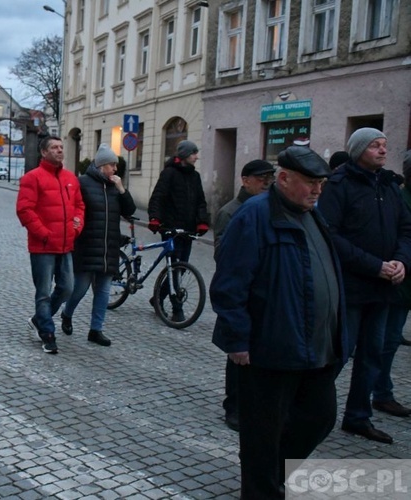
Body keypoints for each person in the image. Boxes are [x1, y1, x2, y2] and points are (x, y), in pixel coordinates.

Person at [210, 145, 348, 500]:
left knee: (320, 417)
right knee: (262, 433)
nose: (317, 190)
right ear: (284, 178)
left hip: (316, 348)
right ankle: (261, 490)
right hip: (270, 347)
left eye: (321, 183)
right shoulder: (254, 216)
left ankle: (273, 473)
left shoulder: (313, 214)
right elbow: (229, 284)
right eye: (310, 183)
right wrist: (237, 340)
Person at [319, 128, 411, 445]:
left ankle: (358, 417)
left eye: (385, 145)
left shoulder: (389, 185)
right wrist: (375, 266)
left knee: (372, 355)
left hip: (384, 288)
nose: (384, 150)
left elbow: (406, 230)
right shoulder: (339, 185)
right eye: (375, 146)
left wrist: (401, 261)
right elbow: (330, 236)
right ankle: (307, 408)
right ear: (359, 150)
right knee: (339, 353)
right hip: (351, 287)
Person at [212, 159, 275, 432]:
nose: (266, 182)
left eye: (270, 178)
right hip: (241, 293)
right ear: (245, 180)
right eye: (261, 178)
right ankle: (234, 406)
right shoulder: (231, 212)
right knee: (237, 355)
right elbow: (223, 254)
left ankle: (254, 404)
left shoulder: (270, 209)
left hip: (263, 295)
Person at [60, 144, 136, 347]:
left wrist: (122, 190)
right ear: (102, 165)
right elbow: (73, 208)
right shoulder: (83, 183)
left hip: (109, 246)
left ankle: (96, 329)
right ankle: (67, 313)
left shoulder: (115, 187)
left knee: (103, 290)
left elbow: (130, 210)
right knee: (80, 288)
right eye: (112, 165)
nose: (115, 169)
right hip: (86, 245)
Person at [16, 136, 85, 354]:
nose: (60, 150)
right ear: (44, 152)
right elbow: (24, 210)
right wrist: (44, 234)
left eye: (61, 147)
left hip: (66, 245)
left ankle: (38, 319)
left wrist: (77, 226)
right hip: (43, 246)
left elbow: (79, 207)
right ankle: (47, 333)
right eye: (54, 147)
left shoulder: (70, 178)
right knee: (43, 293)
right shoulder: (32, 178)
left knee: (67, 288)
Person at [147, 140, 209, 321]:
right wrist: (155, 219)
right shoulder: (169, 174)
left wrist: (202, 222)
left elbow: (200, 201)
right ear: (184, 155)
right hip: (169, 227)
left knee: (180, 268)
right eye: (194, 153)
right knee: (174, 267)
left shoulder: (195, 176)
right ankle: (177, 307)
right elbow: (158, 197)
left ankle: (157, 298)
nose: (196, 156)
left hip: (187, 229)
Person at [373, 149, 411, 416]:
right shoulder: (399, 197)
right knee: (387, 341)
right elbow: (399, 236)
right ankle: (381, 393)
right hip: (400, 282)